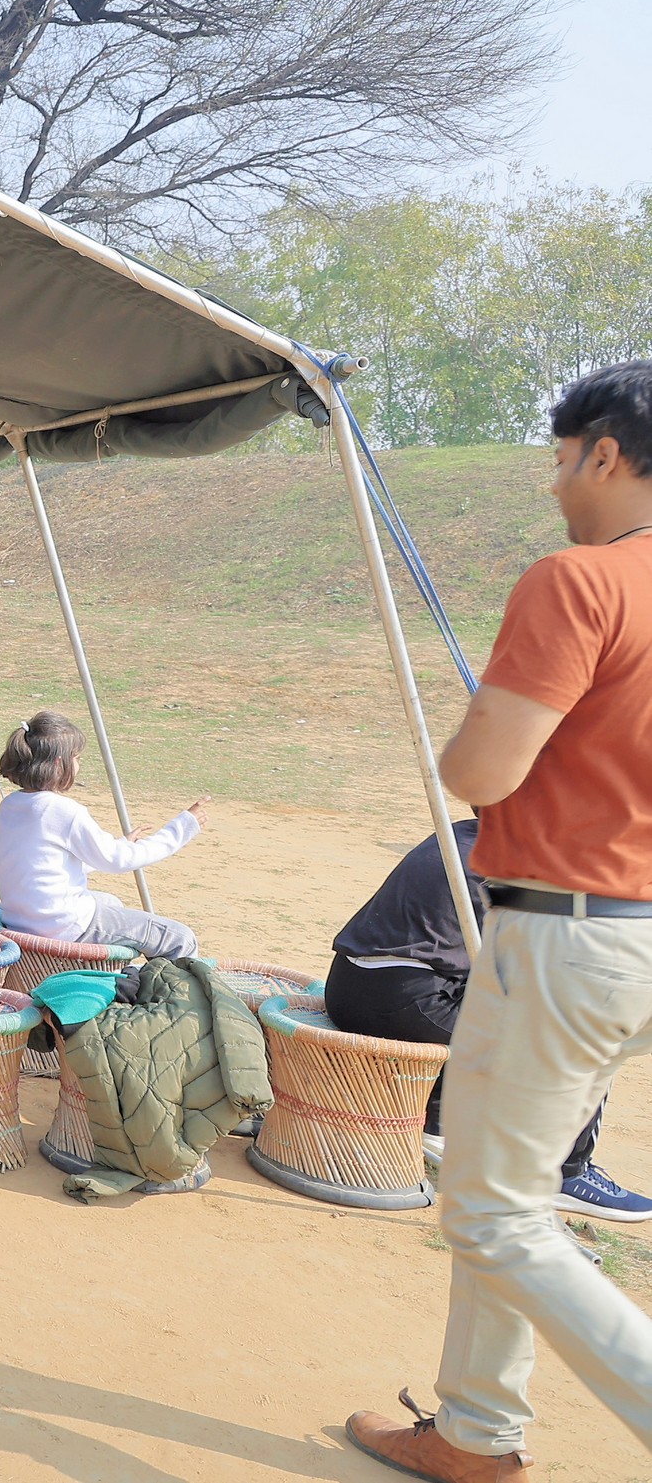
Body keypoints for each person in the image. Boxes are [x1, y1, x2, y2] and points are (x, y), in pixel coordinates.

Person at [345, 363, 652, 1479]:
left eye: (562, 460)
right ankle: (476, 1432)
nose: (556, 484)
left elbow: (481, 771)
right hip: (634, 938)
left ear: (605, 453)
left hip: (569, 934)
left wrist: (475, 736)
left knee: (491, 1216)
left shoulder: (580, 581)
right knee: (510, 1187)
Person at [326, 819, 647, 1218]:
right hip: (403, 1002)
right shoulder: (518, 862)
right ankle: (567, 1174)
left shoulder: (464, 833)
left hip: (352, 986)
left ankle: (439, 1125)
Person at [0, 710, 202, 958]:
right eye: (77, 758)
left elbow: (47, 863)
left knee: (111, 902)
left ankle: (104, 969)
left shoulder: (10, 805)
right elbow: (117, 860)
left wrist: (121, 843)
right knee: (180, 938)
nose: (78, 765)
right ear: (59, 763)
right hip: (61, 925)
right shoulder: (63, 810)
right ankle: (168, 984)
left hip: (20, 919)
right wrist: (182, 828)